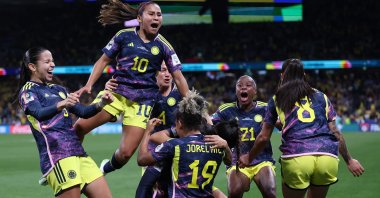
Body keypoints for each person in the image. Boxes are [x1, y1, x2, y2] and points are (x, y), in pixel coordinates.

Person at [74, 0, 189, 175]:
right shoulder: (123, 36)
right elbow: (103, 60)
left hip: (142, 103)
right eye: (151, 14)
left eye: (159, 14)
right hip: (116, 94)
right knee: (79, 128)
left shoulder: (164, 46)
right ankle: (68, 163)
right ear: (139, 18)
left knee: (125, 154)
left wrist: (191, 102)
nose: (156, 17)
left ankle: (105, 167)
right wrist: (89, 85)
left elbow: (179, 78)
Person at [239, 59, 365, 198]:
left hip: (297, 156)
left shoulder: (277, 98)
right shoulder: (322, 96)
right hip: (327, 157)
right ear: (304, 75)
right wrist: (350, 160)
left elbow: (263, 137)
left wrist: (249, 157)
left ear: (282, 76)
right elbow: (335, 131)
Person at [17, 47, 113, 198]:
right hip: (58, 156)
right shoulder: (28, 91)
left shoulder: (59, 89)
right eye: (47, 61)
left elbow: (83, 112)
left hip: (79, 153)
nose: (52, 64)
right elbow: (38, 113)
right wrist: (62, 104)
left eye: (53, 61)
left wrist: (101, 103)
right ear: (32, 67)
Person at [137, 91, 232, 197]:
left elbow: (141, 159)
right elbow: (229, 161)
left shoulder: (175, 145)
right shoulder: (216, 144)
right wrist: (227, 147)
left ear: (180, 123)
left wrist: (147, 132)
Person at [211, 75, 276, 198]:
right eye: (239, 85)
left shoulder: (265, 108)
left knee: (270, 192)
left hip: (262, 160)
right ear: (236, 91)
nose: (243, 88)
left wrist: (273, 122)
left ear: (255, 91)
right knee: (235, 192)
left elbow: (282, 123)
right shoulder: (225, 110)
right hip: (237, 162)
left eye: (248, 85)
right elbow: (209, 125)